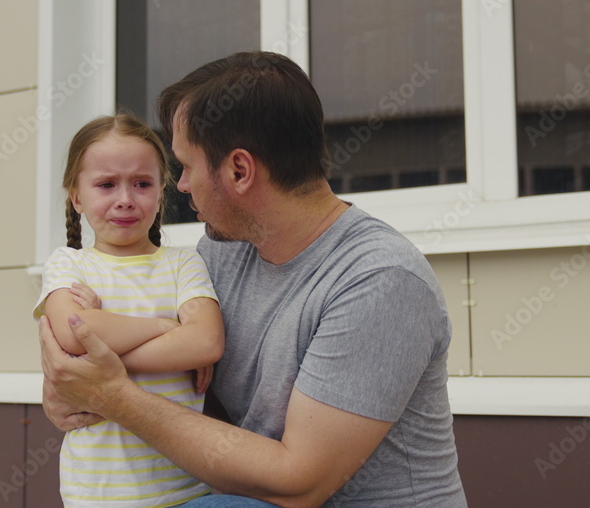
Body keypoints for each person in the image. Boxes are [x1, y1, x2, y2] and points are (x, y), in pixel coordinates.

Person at [39, 52, 467, 507]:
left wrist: (113, 395)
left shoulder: (379, 280)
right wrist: (71, 389)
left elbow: (298, 482)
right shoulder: (221, 254)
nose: (180, 185)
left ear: (239, 171)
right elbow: (183, 396)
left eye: (186, 165)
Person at [34, 114, 225, 507]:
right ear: (77, 197)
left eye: (142, 184)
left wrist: (99, 351)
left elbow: (206, 340)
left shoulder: (183, 265)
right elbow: (73, 332)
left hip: (184, 488)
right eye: (106, 185)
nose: (125, 198)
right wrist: (167, 326)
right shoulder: (68, 265)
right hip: (98, 493)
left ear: (160, 193)